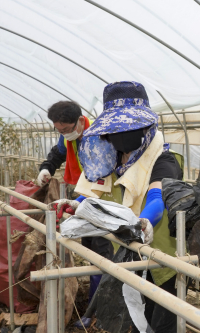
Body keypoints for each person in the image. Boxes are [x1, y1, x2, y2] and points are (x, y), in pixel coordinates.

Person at [54, 81, 183, 332]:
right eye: (115, 129)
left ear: (146, 127)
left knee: (162, 323)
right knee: (136, 320)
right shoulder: (111, 159)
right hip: (127, 256)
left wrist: (143, 222)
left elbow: (156, 197)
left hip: (162, 262)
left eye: (129, 128)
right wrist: (76, 203)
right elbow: (98, 191)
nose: (120, 136)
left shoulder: (164, 159)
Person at [42, 101, 113, 327]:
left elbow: (104, 181)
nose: (63, 135)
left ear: (80, 121)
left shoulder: (101, 139)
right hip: (84, 199)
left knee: (103, 256)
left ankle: (102, 313)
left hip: (104, 202)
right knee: (91, 250)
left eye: (66, 129)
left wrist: (80, 202)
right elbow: (57, 154)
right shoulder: (68, 139)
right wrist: (46, 168)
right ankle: (94, 308)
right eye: (59, 130)